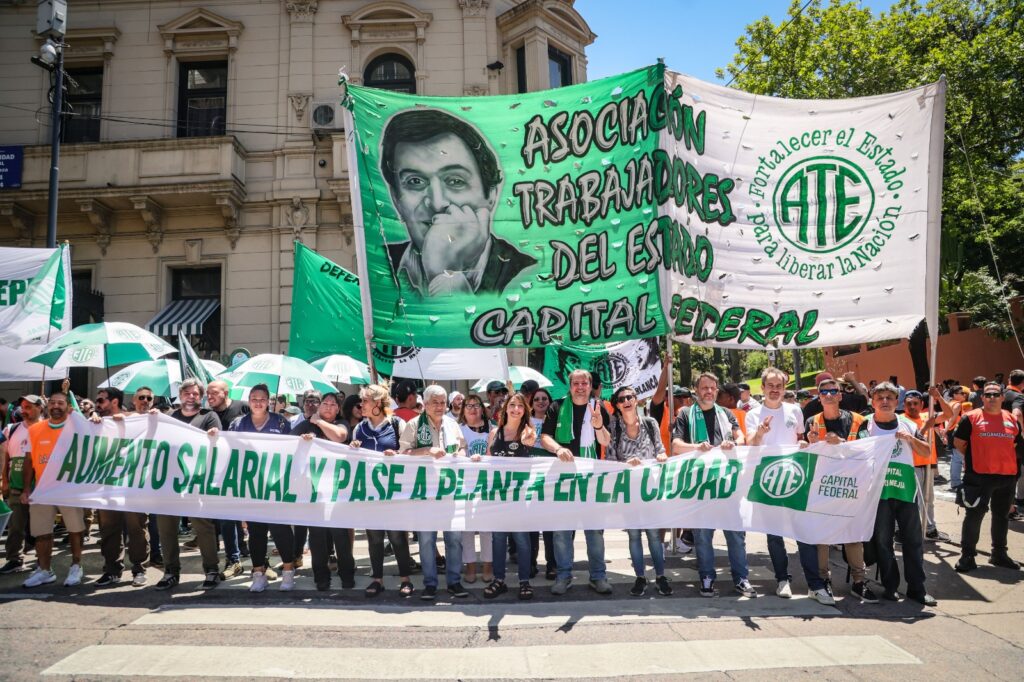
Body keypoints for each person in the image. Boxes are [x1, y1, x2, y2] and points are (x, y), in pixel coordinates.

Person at [380, 108, 537, 296]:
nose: (437, 203)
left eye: (455, 181)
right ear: (396, 198)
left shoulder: (531, 275)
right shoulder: (376, 265)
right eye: (415, 182)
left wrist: (445, 276)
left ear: (491, 195)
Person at [746, 368, 835, 605]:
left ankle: (815, 586)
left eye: (779, 386)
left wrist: (809, 443)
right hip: (767, 481)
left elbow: (800, 440)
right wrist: (760, 434)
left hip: (795, 479)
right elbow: (749, 445)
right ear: (762, 388)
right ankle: (782, 580)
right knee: (774, 536)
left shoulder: (795, 410)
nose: (775, 390)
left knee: (804, 533)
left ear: (784, 389)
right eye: (770, 385)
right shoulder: (753, 415)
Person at [672, 373, 757, 598]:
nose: (709, 391)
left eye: (712, 388)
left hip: (728, 483)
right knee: (702, 536)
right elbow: (676, 446)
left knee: (735, 534)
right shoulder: (686, 415)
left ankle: (741, 579)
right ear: (696, 390)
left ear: (717, 390)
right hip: (700, 485)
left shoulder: (726, 413)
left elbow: (742, 438)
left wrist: (733, 442)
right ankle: (707, 577)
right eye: (704, 388)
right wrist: (696, 447)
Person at [855, 382, 937, 606]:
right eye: (880, 397)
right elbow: (854, 455)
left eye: (889, 398)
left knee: (913, 542)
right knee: (882, 542)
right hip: (878, 495)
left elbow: (927, 451)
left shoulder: (908, 425)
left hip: (905, 491)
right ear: (873, 402)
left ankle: (917, 589)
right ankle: (890, 587)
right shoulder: (865, 426)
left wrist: (910, 439)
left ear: (896, 401)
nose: (884, 401)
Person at [540, 369, 612, 596]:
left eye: (584, 383)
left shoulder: (599, 408)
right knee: (561, 532)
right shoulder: (556, 407)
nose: (580, 387)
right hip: (563, 478)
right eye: (576, 383)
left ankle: (598, 576)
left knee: (594, 532)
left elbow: (606, 441)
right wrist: (558, 448)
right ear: (569, 386)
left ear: (590, 386)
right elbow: (545, 437)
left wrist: (599, 425)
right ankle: (563, 576)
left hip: (591, 479)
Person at [804, 377, 875, 603]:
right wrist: (811, 443)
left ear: (840, 395)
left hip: (851, 485)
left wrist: (840, 443)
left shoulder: (858, 420)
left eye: (832, 391)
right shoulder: (811, 421)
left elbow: (865, 449)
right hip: (823, 485)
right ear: (818, 396)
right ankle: (823, 580)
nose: (828, 395)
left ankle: (859, 581)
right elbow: (808, 453)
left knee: (852, 535)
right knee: (822, 536)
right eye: (823, 392)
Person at [396, 384, 468, 600]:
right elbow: (404, 453)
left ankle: (454, 582)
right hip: (424, 492)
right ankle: (430, 584)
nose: (439, 406)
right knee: (426, 540)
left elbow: (462, 447)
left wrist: (460, 455)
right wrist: (427, 451)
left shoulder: (452, 424)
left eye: (442, 402)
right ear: (425, 404)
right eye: (435, 402)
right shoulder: (414, 425)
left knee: (453, 539)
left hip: (449, 491)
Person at [225, 383, 298, 592]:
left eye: (262, 399)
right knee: (256, 531)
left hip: (276, 484)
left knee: (280, 529)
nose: (258, 402)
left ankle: (288, 571)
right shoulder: (238, 424)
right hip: (251, 486)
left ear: (269, 402)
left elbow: (292, 449)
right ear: (249, 401)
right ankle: (258, 574)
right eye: (254, 398)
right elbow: (228, 448)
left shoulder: (282, 423)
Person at [153, 378, 221, 591]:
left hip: (196, 481)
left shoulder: (209, 416)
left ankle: (211, 570)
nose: (191, 397)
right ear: (180, 395)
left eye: (195, 394)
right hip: (169, 482)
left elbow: (219, 442)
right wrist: (151, 419)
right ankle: (171, 571)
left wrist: (213, 436)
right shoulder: (168, 417)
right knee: (166, 528)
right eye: (187, 393)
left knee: (203, 526)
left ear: (200, 397)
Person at [606, 386, 672, 597]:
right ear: (617, 405)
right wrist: (626, 463)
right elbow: (609, 460)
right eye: (621, 399)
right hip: (628, 490)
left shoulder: (650, 423)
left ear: (636, 400)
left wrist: (661, 456)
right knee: (634, 536)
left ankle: (661, 576)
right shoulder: (613, 427)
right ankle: (640, 577)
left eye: (630, 397)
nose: (626, 401)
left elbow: (660, 449)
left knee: (654, 535)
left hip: (650, 488)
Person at [351, 383, 417, 598]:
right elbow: (353, 460)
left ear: (378, 403)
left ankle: (405, 579)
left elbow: (409, 451)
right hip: (371, 491)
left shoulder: (397, 424)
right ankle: (377, 578)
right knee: (374, 537)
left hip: (394, 491)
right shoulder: (360, 428)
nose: (361, 405)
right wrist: (353, 450)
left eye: (366, 401)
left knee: (398, 536)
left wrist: (396, 453)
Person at [953, 381, 1022, 573]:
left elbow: (1016, 446)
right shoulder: (970, 418)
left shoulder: (1012, 419)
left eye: (995, 394)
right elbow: (959, 443)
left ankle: (999, 554)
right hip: (979, 477)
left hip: (1007, 477)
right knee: (974, 516)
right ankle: (967, 556)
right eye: (988, 395)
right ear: (982, 398)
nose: (992, 397)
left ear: (1002, 397)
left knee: (1002, 516)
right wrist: (977, 458)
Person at [21, 392, 86, 588]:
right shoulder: (35, 429)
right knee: (42, 532)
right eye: (53, 402)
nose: (56, 406)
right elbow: (28, 461)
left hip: (70, 488)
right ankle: (45, 570)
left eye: (61, 403)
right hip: (43, 489)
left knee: (75, 529)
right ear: (47, 406)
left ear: (68, 406)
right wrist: (26, 489)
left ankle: (76, 566)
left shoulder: (77, 427)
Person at [293, 392, 355, 591]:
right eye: (325, 403)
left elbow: (339, 437)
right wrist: (302, 442)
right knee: (317, 537)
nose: (328, 407)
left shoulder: (342, 423)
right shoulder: (305, 426)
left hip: (338, 490)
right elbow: (287, 445)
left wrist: (318, 421)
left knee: (341, 536)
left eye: (332, 404)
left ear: (338, 409)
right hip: (313, 491)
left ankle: (347, 575)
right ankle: (321, 577)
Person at [479, 392, 537, 600]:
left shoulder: (528, 431)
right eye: (512, 405)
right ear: (505, 409)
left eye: (520, 406)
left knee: (521, 539)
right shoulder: (495, 433)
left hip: (520, 496)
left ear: (525, 411)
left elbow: (529, 442)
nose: (516, 409)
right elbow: (488, 459)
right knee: (498, 539)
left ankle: (524, 581)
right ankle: (499, 580)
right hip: (498, 494)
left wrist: (525, 435)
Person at [91, 388, 150, 588]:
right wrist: (92, 418)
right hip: (107, 485)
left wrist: (124, 418)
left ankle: (139, 569)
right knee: (108, 529)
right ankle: (111, 569)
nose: (97, 403)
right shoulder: (97, 421)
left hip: (133, 484)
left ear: (114, 401)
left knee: (136, 528)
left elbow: (138, 417)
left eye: (101, 400)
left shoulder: (131, 418)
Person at [206, 379, 248, 579]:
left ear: (225, 392)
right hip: (220, 472)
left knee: (253, 517)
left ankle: (260, 560)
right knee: (225, 517)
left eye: (214, 392)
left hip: (244, 470)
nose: (209, 396)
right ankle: (233, 559)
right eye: (207, 393)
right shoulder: (207, 415)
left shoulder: (242, 407)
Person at [0, 395, 43, 575]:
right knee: (15, 526)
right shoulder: (12, 429)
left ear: (40, 408)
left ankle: (43, 561)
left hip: (41, 487)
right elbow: (6, 457)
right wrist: (5, 480)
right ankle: (14, 559)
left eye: (30, 407)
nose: (24, 411)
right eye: (23, 407)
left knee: (41, 527)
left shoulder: (48, 428)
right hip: (16, 485)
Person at [458, 394, 492, 584]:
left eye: (476, 405)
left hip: (486, 484)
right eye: (468, 405)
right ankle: (470, 565)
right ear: (463, 410)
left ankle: (488, 564)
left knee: (487, 528)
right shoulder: (459, 430)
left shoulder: (492, 429)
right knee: (467, 528)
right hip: (466, 485)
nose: (472, 409)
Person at [902, 390, 944, 540]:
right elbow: (913, 439)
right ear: (904, 405)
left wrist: (939, 398)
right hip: (911, 466)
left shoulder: (928, 415)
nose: (912, 407)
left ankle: (930, 528)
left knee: (928, 499)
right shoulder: (901, 420)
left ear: (922, 405)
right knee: (912, 500)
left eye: (915, 403)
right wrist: (926, 427)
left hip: (928, 465)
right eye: (909, 404)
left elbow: (949, 413)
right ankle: (907, 530)